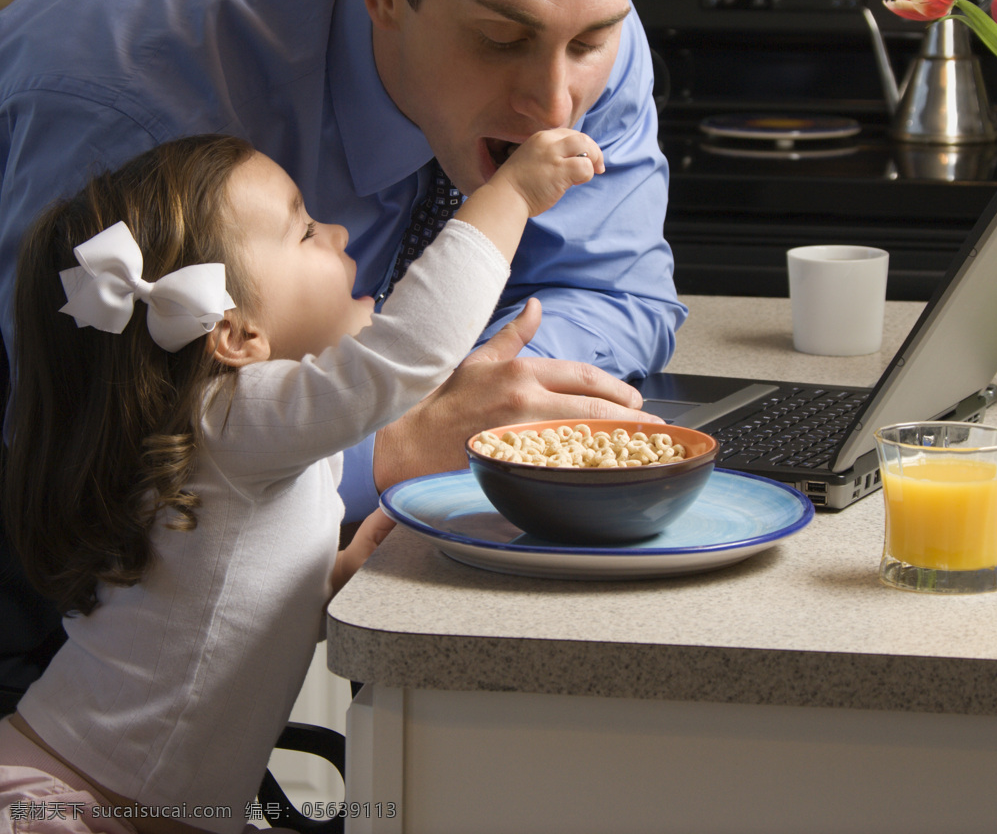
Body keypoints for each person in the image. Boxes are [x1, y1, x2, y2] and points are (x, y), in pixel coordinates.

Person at [0, 0, 687, 692]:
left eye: (592, 41)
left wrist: (474, 408)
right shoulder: (132, 108)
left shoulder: (567, 0)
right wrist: (398, 444)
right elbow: (91, 470)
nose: (555, 101)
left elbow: (613, 291)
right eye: (500, 40)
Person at [0, 122, 604, 832]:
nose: (341, 232)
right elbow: (406, 354)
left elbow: (221, 608)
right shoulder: (231, 418)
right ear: (234, 334)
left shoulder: (237, 434)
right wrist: (511, 194)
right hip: (58, 802)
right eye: (306, 230)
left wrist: (333, 579)